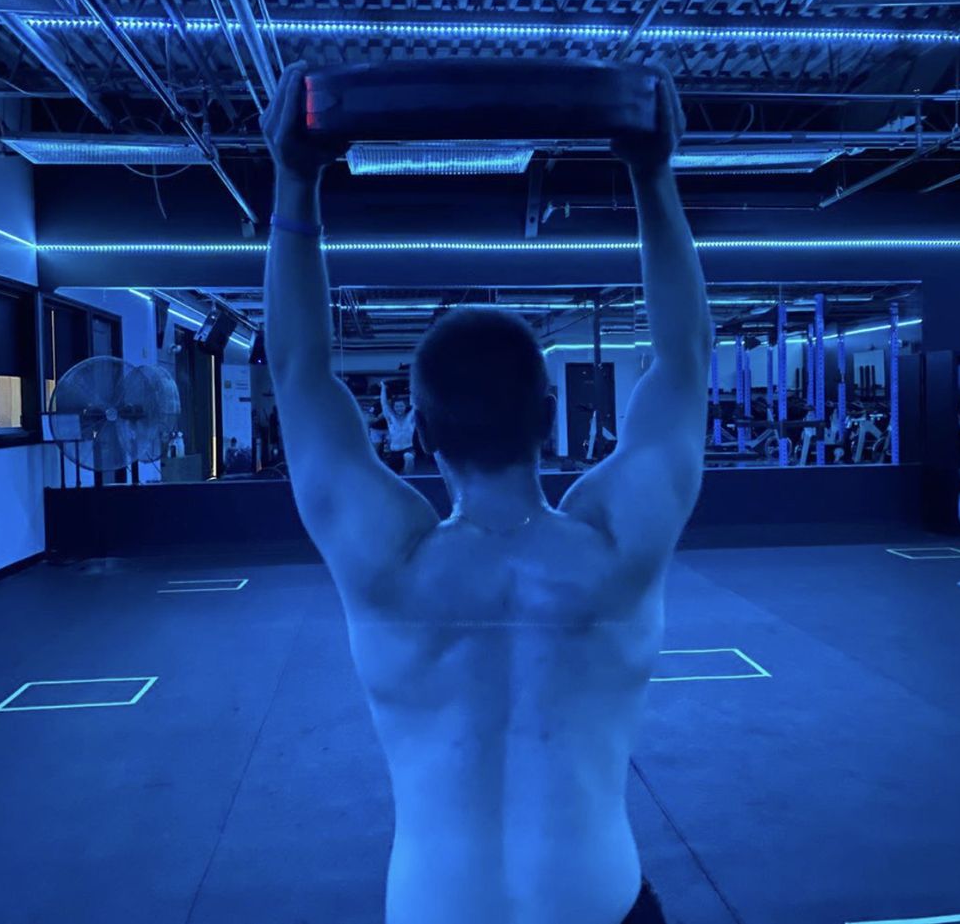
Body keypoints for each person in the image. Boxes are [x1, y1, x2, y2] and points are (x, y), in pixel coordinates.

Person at [262, 62, 709, 924]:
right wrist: (653, 174)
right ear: (550, 415)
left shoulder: (387, 562)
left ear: (422, 433)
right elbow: (683, 360)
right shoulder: (616, 547)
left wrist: (294, 178)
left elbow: (298, 371)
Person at [380, 380, 417, 474]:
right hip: (394, 452)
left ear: (405, 407)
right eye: (397, 406)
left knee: (408, 457)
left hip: (408, 449)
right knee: (393, 475)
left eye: (401, 406)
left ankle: (409, 478)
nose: (399, 408)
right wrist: (383, 388)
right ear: (394, 408)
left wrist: (413, 388)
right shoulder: (391, 418)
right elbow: (384, 403)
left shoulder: (410, 418)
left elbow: (416, 404)